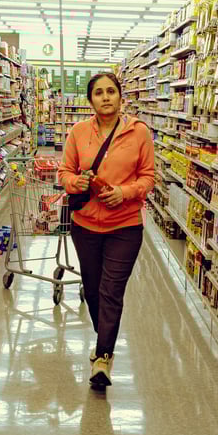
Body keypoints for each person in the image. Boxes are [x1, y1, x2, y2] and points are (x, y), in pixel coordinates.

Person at [58, 72, 157, 388]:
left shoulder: (139, 133)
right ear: (91, 100)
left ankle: (103, 358)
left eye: (111, 91)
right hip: (85, 225)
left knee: (112, 290)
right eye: (98, 92)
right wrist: (77, 182)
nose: (105, 97)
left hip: (125, 226)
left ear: (120, 97)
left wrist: (124, 192)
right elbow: (64, 172)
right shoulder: (78, 132)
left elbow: (148, 177)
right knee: (92, 287)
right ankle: (104, 339)